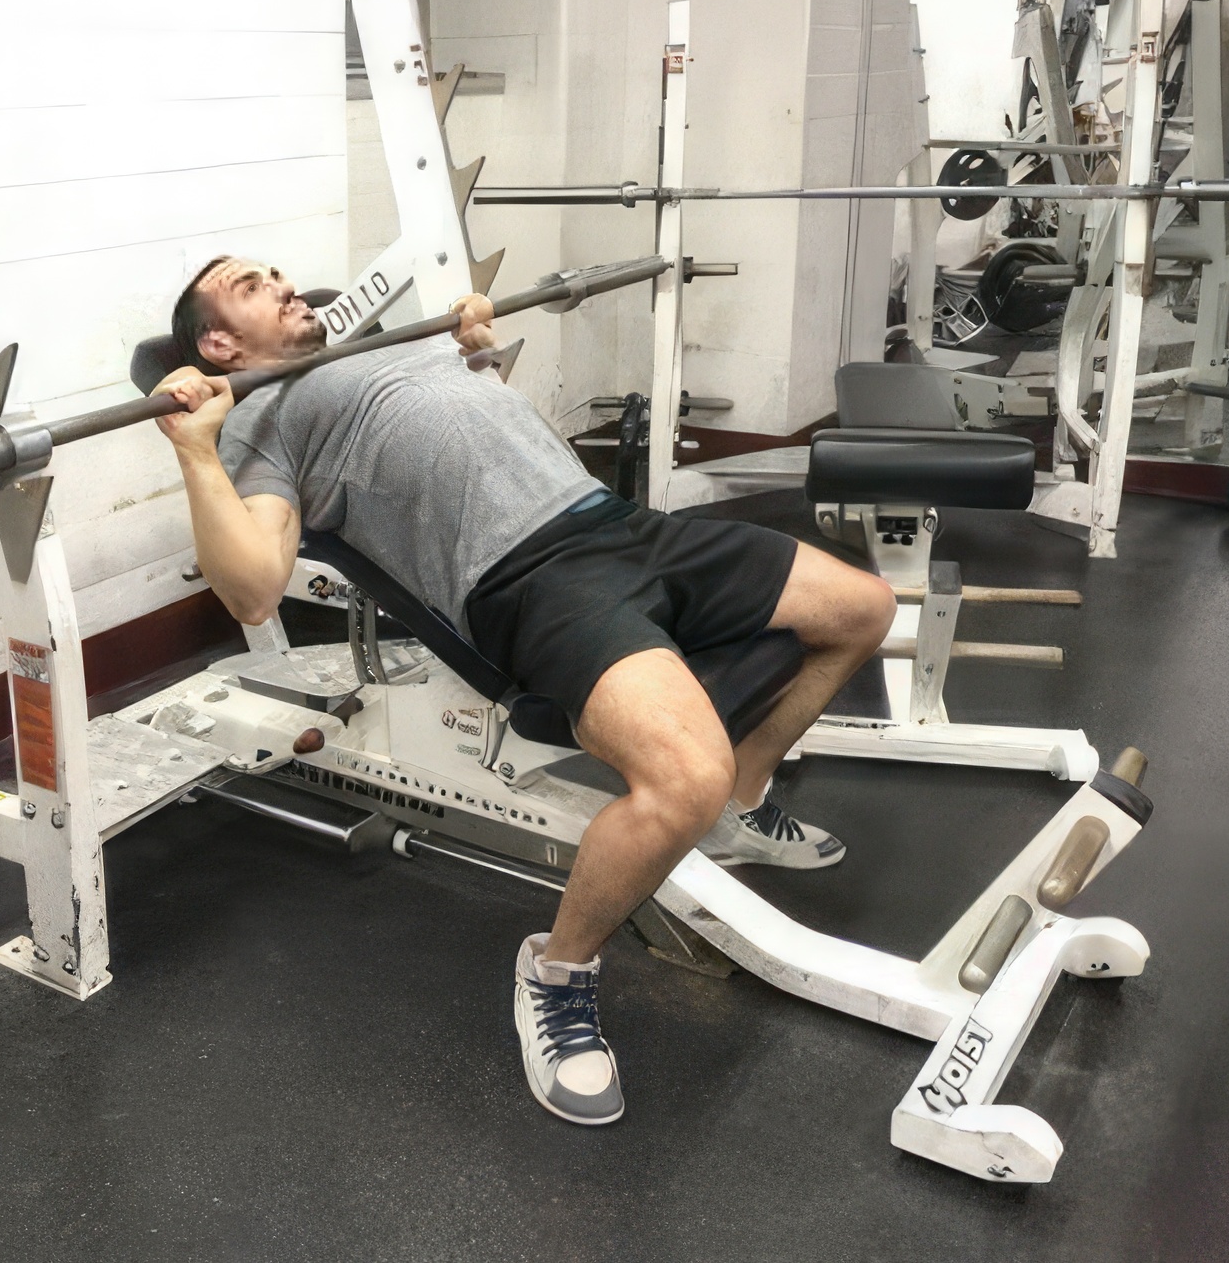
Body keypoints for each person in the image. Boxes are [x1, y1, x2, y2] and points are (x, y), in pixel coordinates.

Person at [152, 256, 896, 1127]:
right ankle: (556, 971)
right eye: (250, 285)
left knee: (861, 608)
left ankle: (740, 801)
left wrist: (474, 347)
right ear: (218, 342)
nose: (283, 281)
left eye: (277, 271)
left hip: (616, 523)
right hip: (533, 582)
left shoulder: (383, 342)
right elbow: (252, 589)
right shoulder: (262, 420)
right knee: (678, 781)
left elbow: (479, 430)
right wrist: (197, 452)